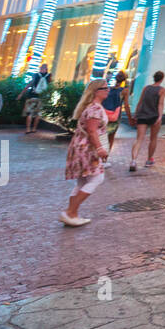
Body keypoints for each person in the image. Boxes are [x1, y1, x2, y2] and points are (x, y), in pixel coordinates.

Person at [60, 80, 110, 227]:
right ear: (96, 91)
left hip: (80, 146)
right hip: (87, 148)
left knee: (82, 181)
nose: (108, 90)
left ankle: (72, 214)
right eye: (105, 88)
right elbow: (92, 130)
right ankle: (70, 212)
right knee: (97, 178)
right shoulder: (95, 109)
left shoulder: (92, 107)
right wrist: (100, 148)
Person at [130, 71, 165, 172]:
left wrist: (136, 114)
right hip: (154, 115)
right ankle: (149, 160)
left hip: (142, 115)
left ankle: (133, 160)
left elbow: (140, 102)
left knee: (139, 139)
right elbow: (160, 104)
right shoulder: (162, 90)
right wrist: (160, 116)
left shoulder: (146, 88)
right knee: (153, 138)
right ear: (162, 79)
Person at [102, 72, 128, 163]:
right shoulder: (124, 91)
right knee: (111, 137)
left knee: (102, 135)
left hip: (105, 115)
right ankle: (105, 159)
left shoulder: (109, 89)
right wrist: (130, 118)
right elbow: (127, 106)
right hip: (115, 116)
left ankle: (99, 156)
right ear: (124, 80)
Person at [20, 63, 51, 134]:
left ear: (40, 69)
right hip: (41, 97)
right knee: (38, 114)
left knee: (29, 114)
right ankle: (34, 129)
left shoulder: (36, 75)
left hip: (32, 96)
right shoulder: (49, 76)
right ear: (46, 69)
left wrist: (21, 94)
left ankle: (28, 129)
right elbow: (49, 86)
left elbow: (28, 85)